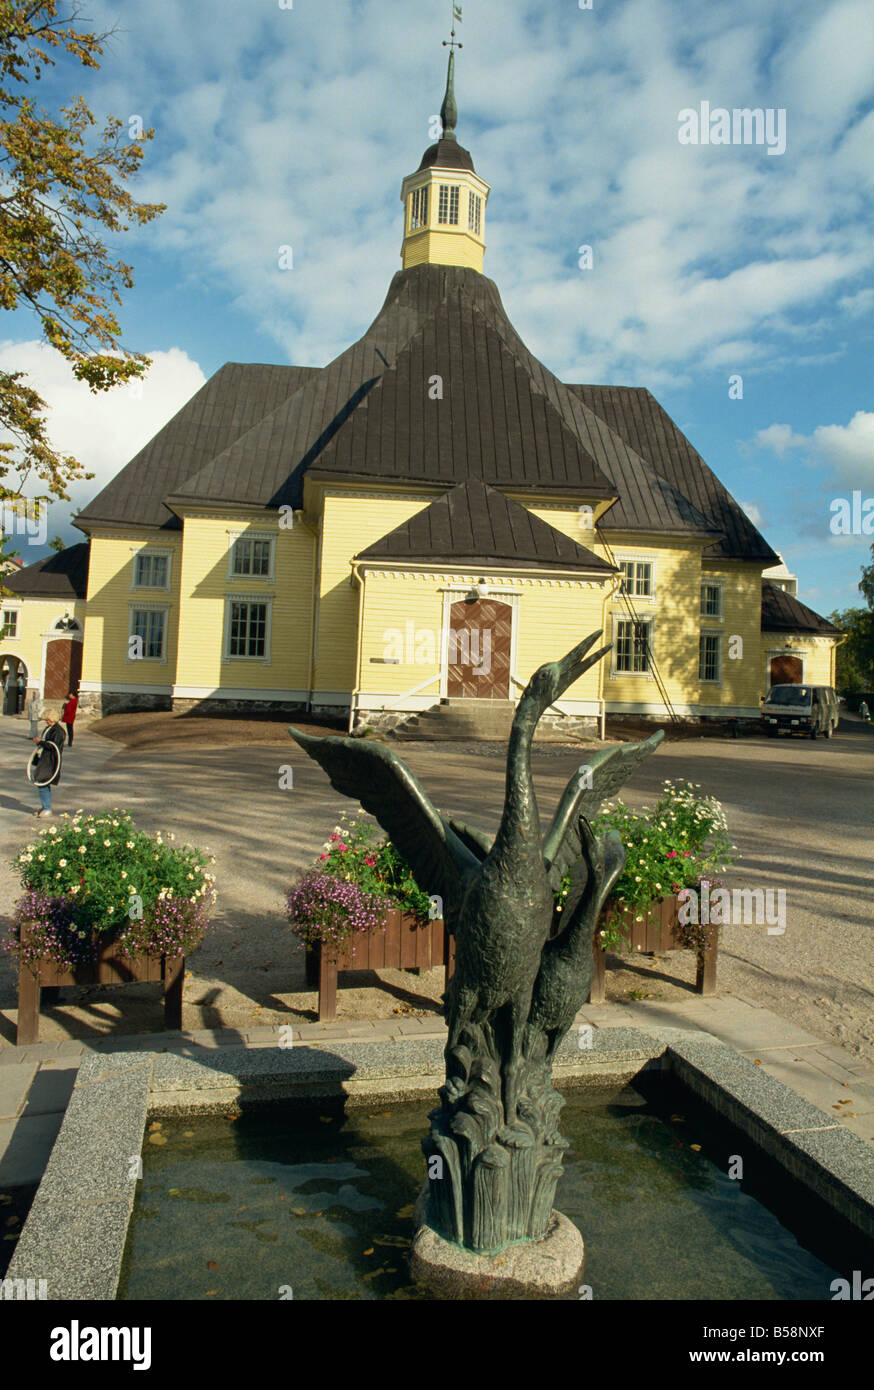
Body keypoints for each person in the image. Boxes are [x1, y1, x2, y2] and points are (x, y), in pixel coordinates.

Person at [31, 708, 65, 817]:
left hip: (51, 760)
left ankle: (47, 808)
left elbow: (53, 746)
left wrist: (40, 742)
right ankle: (45, 806)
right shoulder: (49, 728)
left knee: (42, 781)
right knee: (42, 782)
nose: (46, 721)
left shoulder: (58, 731)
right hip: (44, 758)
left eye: (48, 719)